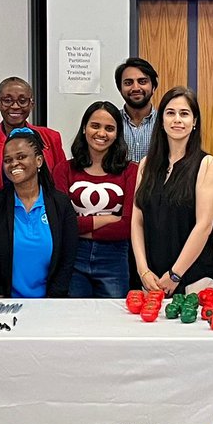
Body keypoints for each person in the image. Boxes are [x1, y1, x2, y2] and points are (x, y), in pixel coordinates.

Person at [131, 86, 213, 295]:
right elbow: (137, 221)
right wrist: (143, 270)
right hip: (151, 279)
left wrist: (175, 274)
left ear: (194, 121)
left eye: (184, 114)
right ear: (161, 121)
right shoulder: (146, 165)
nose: (177, 119)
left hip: (193, 279)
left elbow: (204, 226)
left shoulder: (206, 164)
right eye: (170, 113)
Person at [0, 128, 78, 298]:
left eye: (21, 157)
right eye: (8, 160)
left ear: (39, 161)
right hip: (6, 304)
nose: (14, 164)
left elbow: (68, 257)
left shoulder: (61, 204)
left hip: (50, 303)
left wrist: (54, 298)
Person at [0, 77, 66, 237]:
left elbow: (61, 189)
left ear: (31, 104)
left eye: (22, 100)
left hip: (42, 227)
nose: (15, 106)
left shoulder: (51, 138)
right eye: (7, 100)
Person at [54, 101, 138, 298]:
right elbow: (60, 223)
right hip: (73, 256)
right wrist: (109, 219)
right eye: (95, 126)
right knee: (75, 316)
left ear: (117, 134)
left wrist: (79, 227)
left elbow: (127, 226)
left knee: (114, 316)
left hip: (115, 257)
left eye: (109, 128)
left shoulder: (131, 171)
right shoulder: (63, 170)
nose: (101, 133)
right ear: (84, 128)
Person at [116, 57, 158, 164]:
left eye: (142, 82)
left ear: (153, 87)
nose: (135, 88)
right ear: (120, 89)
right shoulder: (112, 122)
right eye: (128, 83)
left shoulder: (164, 122)